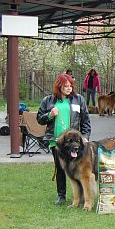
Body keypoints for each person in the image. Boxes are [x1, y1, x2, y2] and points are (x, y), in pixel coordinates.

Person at [37, 73, 91, 205]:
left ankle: (81, 196)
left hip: (75, 143)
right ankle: (61, 196)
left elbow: (86, 121)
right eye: (66, 86)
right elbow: (39, 119)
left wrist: (85, 138)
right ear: (59, 86)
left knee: (78, 168)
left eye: (70, 86)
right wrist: (49, 115)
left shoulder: (79, 99)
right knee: (61, 169)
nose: (69, 88)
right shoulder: (48, 100)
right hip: (57, 142)